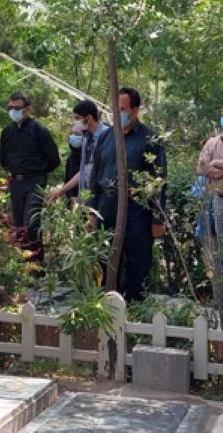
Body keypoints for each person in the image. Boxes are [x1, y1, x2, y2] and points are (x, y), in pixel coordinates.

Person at [88, 87, 167, 302]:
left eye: (122, 109)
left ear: (135, 110)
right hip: (107, 206)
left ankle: (134, 307)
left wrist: (158, 219)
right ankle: (104, 305)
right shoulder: (106, 137)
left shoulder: (150, 139)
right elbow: (95, 176)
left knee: (137, 260)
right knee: (104, 258)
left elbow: (159, 180)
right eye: (115, 109)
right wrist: (92, 212)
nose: (118, 113)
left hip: (137, 208)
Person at [0, 92, 59, 257]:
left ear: (28, 108)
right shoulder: (7, 132)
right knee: (19, 226)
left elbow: (54, 159)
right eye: (11, 107)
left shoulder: (39, 130)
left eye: (17, 108)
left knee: (31, 223)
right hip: (16, 182)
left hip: (35, 181)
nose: (14, 111)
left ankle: (36, 263)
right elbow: (3, 159)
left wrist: (38, 172)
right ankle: (22, 264)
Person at [49, 100, 110, 203]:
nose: (76, 122)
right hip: (87, 196)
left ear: (89, 118)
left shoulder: (106, 136)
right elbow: (84, 171)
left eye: (78, 118)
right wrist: (61, 191)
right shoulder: (86, 138)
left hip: (102, 196)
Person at [198, 117, 223, 312]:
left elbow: (211, 167)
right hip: (219, 200)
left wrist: (217, 166)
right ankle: (220, 303)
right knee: (219, 253)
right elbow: (202, 168)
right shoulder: (213, 143)